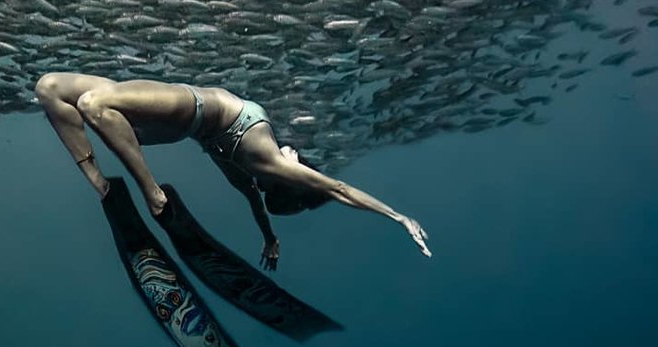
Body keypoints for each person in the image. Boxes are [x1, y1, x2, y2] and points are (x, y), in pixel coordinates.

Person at [34, 72, 431, 270]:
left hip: (180, 124)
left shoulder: (252, 175)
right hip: (193, 105)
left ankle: (132, 191)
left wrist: (270, 239)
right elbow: (338, 189)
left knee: (91, 105)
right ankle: (123, 189)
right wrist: (399, 217)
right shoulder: (268, 162)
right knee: (51, 88)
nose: (291, 151)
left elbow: (263, 205)